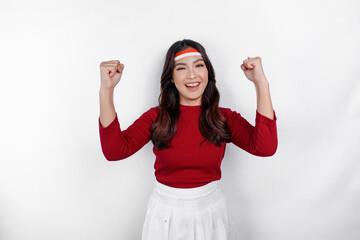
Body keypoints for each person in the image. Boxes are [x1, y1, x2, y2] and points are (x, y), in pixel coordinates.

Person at [98, 39, 278, 240]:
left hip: (211, 215)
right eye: (182, 68)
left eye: (199, 66)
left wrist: (261, 82)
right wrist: (107, 90)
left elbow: (265, 147)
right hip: (165, 216)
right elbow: (114, 151)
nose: (192, 75)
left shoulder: (224, 118)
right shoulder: (156, 118)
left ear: (208, 72)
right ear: (171, 79)